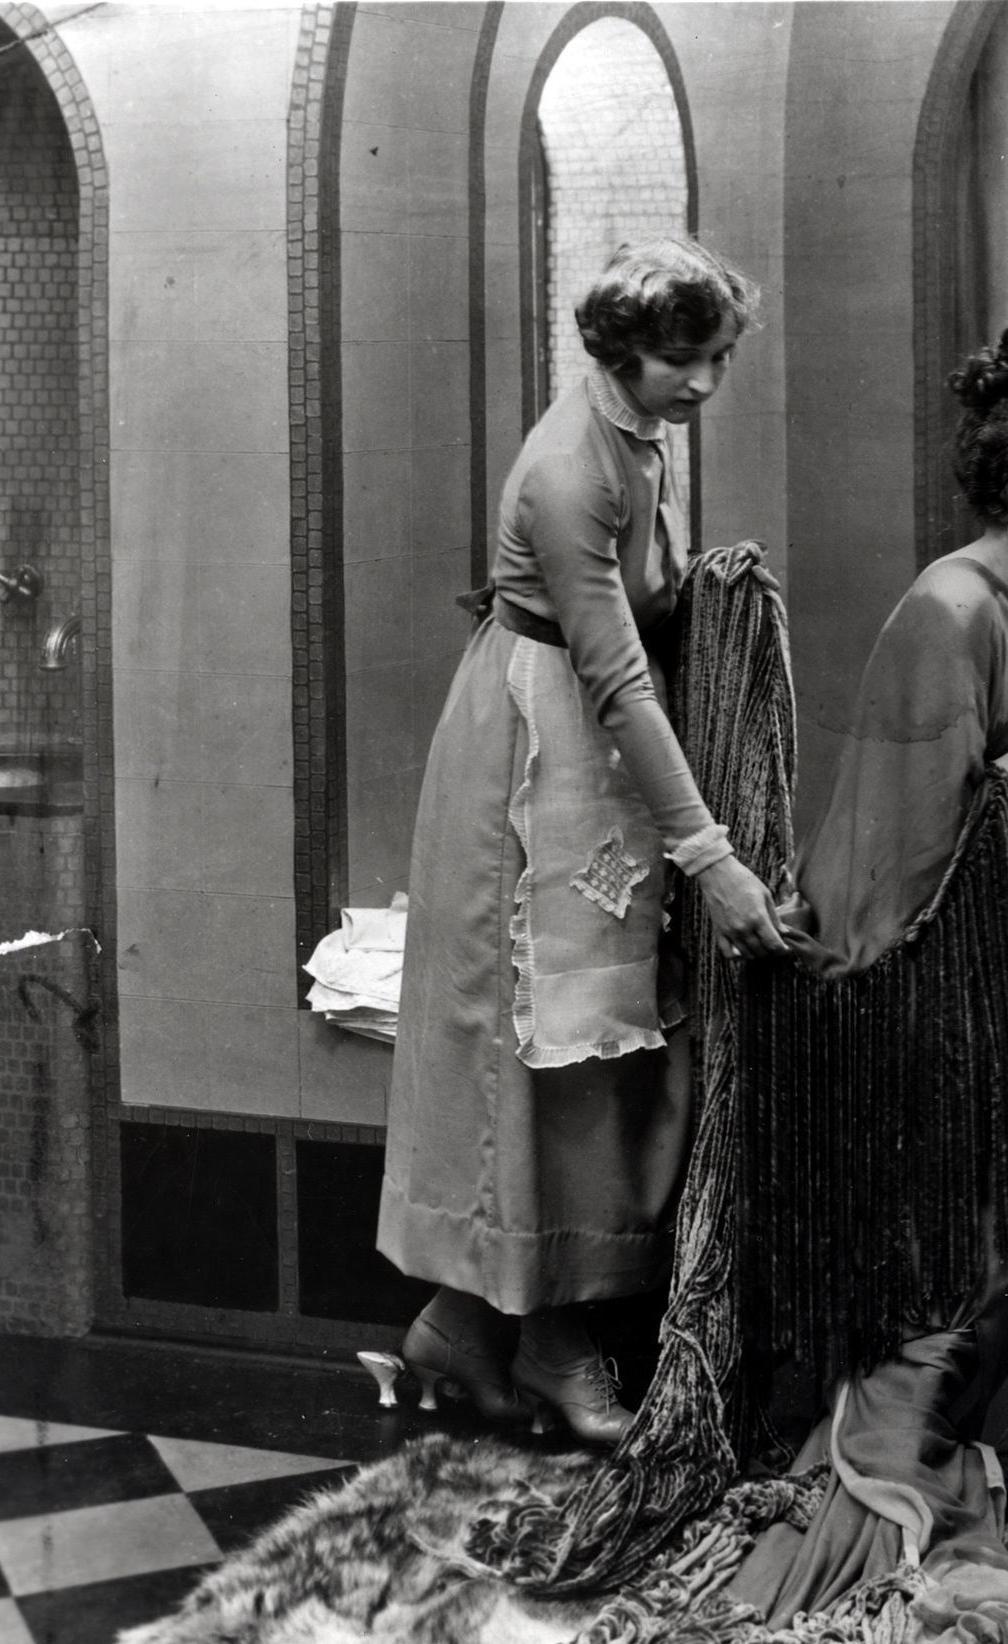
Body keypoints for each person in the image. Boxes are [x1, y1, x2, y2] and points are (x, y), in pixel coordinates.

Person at [724, 321, 1008, 1644]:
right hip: (897, 954)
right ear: (1003, 491)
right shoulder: (950, 607)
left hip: (980, 943)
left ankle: (917, 1418)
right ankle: (885, 1435)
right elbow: (937, 828)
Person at [375, 235, 788, 1447]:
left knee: (590, 1052)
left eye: (716, 358)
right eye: (679, 358)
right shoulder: (570, 468)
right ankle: (544, 1343)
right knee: (544, 1047)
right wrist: (710, 856)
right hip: (534, 753)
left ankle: (468, 1333)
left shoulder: (636, 438)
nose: (701, 382)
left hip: (586, 748)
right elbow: (615, 675)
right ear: (619, 349)